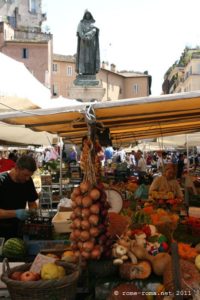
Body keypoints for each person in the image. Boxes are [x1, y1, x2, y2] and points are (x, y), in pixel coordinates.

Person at [0, 155, 38, 240]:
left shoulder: (28, 181)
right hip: (2, 232)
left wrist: (33, 211)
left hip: (19, 229)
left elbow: (32, 203)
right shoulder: (2, 181)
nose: (27, 178)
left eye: (30, 176)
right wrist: (16, 213)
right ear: (17, 168)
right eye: (25, 175)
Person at [76, 10, 100, 75]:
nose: (87, 15)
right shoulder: (81, 23)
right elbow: (79, 31)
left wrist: (89, 35)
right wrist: (84, 37)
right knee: (83, 57)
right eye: (86, 14)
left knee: (91, 57)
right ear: (84, 15)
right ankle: (83, 71)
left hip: (91, 43)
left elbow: (95, 30)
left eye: (88, 14)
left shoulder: (93, 23)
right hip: (83, 42)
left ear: (90, 15)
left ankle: (91, 71)